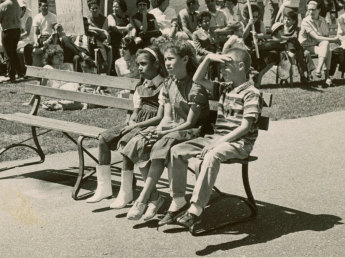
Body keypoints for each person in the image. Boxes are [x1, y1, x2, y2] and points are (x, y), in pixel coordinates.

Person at [165, 49, 263, 231]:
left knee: (212, 155)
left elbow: (245, 127)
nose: (222, 67)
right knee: (176, 151)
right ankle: (178, 201)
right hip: (217, 138)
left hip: (240, 143)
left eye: (226, 64)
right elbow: (197, 79)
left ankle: (194, 211)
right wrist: (209, 58)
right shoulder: (225, 88)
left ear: (240, 66)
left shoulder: (251, 93)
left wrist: (217, 143)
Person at [122, 40, 210, 220]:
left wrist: (163, 133)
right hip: (173, 128)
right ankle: (154, 198)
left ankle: (142, 199)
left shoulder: (196, 86)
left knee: (163, 142)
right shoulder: (169, 84)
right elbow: (168, 118)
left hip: (192, 131)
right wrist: (156, 130)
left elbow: (190, 122)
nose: (167, 63)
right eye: (165, 59)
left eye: (171, 59)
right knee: (139, 141)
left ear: (185, 59)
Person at [88, 46, 167, 204]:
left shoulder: (164, 86)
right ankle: (104, 187)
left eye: (143, 64)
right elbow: (135, 110)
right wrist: (130, 120)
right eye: (138, 64)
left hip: (151, 125)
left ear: (157, 64)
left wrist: (134, 126)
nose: (139, 68)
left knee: (126, 144)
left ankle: (126, 192)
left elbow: (161, 117)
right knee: (103, 138)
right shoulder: (140, 86)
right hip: (136, 123)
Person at [299, 0, 339, 87]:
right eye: (309, 10)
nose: (311, 12)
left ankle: (320, 71)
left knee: (326, 45)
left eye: (313, 10)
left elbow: (324, 36)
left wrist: (328, 41)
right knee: (327, 48)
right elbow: (317, 37)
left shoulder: (322, 19)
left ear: (319, 9)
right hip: (306, 46)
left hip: (317, 46)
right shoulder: (305, 21)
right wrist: (335, 40)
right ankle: (326, 76)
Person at [241, 4, 281, 87]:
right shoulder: (243, 23)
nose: (255, 19)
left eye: (257, 16)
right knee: (252, 57)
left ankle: (260, 75)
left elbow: (264, 34)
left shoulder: (260, 23)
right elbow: (243, 36)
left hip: (260, 47)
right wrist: (249, 24)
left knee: (275, 55)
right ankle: (256, 79)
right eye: (253, 17)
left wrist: (258, 35)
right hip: (249, 48)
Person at [271, 15, 311, 83]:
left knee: (302, 54)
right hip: (285, 52)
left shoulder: (295, 29)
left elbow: (295, 38)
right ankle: (300, 74)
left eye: (288, 19)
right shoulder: (279, 33)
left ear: (294, 21)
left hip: (294, 50)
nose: (286, 21)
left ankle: (303, 74)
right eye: (285, 19)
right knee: (296, 54)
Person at [0, 0, 25, 82]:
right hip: (16, 30)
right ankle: (20, 72)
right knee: (14, 51)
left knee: (8, 54)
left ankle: (12, 75)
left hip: (7, 30)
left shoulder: (4, 5)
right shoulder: (16, 2)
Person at [86, 0, 111, 73]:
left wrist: (97, 31)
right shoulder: (87, 19)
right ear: (89, 9)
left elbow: (103, 34)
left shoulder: (104, 19)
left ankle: (108, 70)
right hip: (90, 41)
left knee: (109, 48)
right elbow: (87, 28)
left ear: (99, 8)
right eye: (92, 8)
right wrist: (100, 30)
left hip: (101, 41)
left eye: (96, 8)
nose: (94, 10)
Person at [107, 0, 136, 65]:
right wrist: (125, 28)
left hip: (128, 39)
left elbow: (133, 28)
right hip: (117, 40)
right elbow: (113, 27)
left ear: (122, 7)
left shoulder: (128, 17)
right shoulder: (111, 16)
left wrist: (132, 36)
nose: (114, 9)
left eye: (116, 7)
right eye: (113, 7)